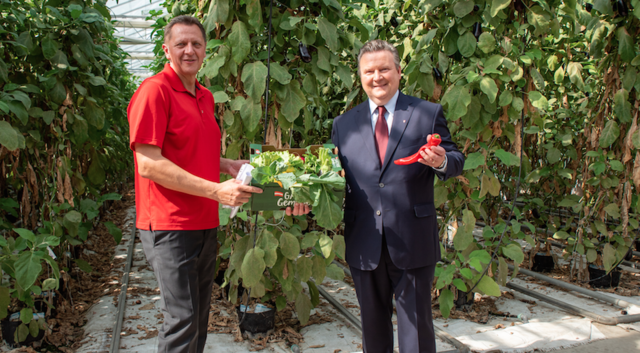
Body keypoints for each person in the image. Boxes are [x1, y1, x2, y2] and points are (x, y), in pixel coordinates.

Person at [127, 15, 308, 353]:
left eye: (196, 43)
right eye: (181, 44)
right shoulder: (154, 92)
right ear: (167, 49)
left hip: (204, 222)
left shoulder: (205, 97)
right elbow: (149, 164)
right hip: (169, 225)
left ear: (205, 50)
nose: (189, 50)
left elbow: (187, 150)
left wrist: (226, 165)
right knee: (181, 320)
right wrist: (215, 190)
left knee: (198, 317)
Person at [331, 39, 465, 353]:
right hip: (364, 238)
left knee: (416, 331)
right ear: (360, 76)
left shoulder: (425, 113)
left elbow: (456, 159)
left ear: (399, 72)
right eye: (369, 71)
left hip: (412, 238)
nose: (377, 77)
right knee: (373, 330)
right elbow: (330, 176)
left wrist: (442, 160)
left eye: (384, 69)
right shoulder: (343, 124)